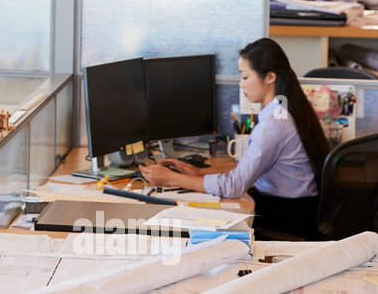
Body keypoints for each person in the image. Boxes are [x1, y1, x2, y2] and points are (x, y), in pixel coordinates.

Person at [138, 37, 330, 236]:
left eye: (245, 77)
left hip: (286, 218)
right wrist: (200, 173)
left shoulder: (274, 124)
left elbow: (234, 186)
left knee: (202, 224)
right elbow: (251, 167)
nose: (240, 84)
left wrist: (171, 179)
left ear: (270, 77)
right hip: (297, 209)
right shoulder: (287, 108)